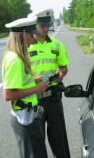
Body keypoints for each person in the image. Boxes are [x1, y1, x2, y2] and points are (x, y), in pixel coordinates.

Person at [2, 16, 48, 158]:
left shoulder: (16, 56)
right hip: (24, 118)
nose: (33, 39)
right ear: (21, 35)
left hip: (27, 117)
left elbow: (19, 83)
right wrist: (37, 88)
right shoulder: (15, 60)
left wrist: (36, 79)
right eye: (30, 35)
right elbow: (8, 95)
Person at [27, 9, 70, 158]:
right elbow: (21, 76)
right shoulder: (25, 46)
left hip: (53, 98)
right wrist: (37, 79)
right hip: (34, 99)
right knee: (37, 142)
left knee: (59, 139)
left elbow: (64, 67)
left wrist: (61, 74)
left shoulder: (57, 45)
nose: (46, 29)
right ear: (34, 25)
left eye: (48, 25)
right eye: (42, 25)